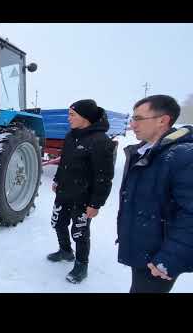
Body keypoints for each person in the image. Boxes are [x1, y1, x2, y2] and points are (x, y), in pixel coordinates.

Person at [117, 94, 193, 293]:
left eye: (139, 118)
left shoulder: (182, 156)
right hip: (144, 248)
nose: (132, 124)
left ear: (163, 120)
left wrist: (170, 258)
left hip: (159, 257)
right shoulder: (144, 152)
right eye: (132, 118)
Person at [48, 99, 116, 284]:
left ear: (85, 117)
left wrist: (96, 204)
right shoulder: (72, 135)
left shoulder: (101, 141)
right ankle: (65, 251)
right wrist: (56, 179)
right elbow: (64, 162)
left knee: (79, 232)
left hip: (84, 197)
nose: (68, 118)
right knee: (58, 223)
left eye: (72, 115)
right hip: (64, 191)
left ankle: (81, 265)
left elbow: (104, 177)